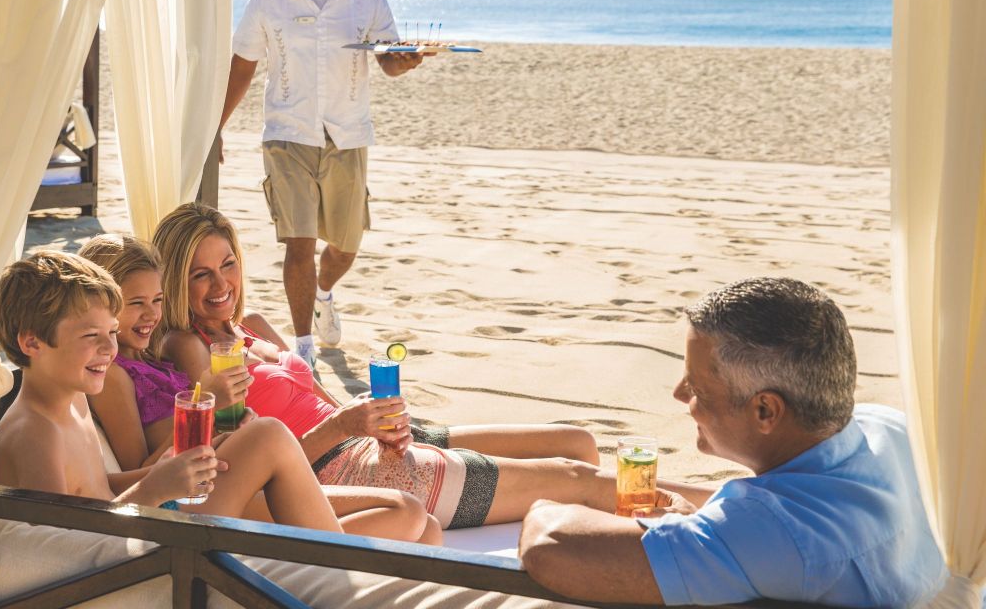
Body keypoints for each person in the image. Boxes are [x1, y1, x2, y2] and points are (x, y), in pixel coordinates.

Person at [152, 202, 618, 532]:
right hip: (337, 470)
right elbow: (258, 464)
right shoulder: (189, 347)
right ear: (176, 280)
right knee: (574, 478)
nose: (221, 284)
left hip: (364, 442)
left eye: (228, 264)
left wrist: (368, 416)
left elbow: (324, 403)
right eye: (200, 274)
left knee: (577, 443)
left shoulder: (250, 326)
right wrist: (345, 425)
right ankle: (690, 524)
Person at [519, 277, 946, 606]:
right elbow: (781, 501)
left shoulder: (772, 533)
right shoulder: (889, 430)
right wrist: (604, 488)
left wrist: (547, 502)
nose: (679, 393)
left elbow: (552, 545)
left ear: (765, 411)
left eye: (697, 386)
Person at [76, 233, 442, 545]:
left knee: (427, 528)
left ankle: (306, 567)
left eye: (157, 301)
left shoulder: (150, 360)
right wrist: (210, 410)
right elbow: (142, 468)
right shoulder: (115, 375)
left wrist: (222, 424)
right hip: (197, 492)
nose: (151, 315)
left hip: (227, 475)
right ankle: (304, 573)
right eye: (135, 304)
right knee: (406, 513)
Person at [0, 250, 344, 534]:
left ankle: (338, 570)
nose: (109, 350)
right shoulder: (34, 433)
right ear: (32, 342)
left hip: (141, 522)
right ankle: (342, 575)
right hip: (141, 554)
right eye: (90, 336)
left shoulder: (71, 401)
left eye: (112, 333)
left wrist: (173, 466)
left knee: (266, 438)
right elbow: (65, 545)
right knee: (268, 436)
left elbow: (94, 488)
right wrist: (154, 489)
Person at [217, 0, 425, 369]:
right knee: (299, 242)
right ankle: (305, 348)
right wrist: (216, 127)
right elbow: (243, 65)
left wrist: (405, 61)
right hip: (287, 134)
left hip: (348, 134)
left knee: (345, 246)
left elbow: (388, 60)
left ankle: (325, 293)